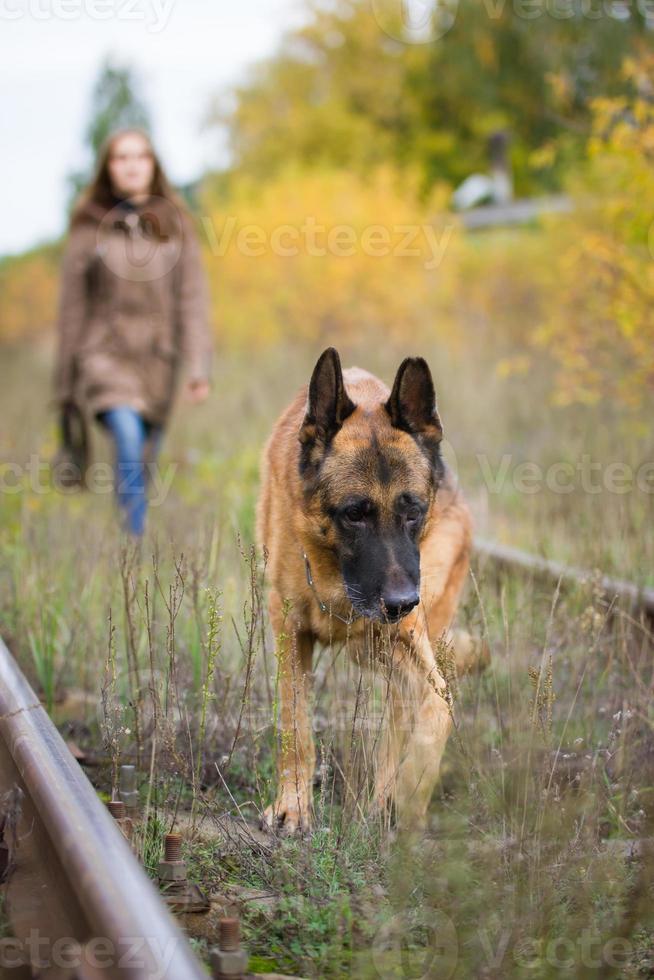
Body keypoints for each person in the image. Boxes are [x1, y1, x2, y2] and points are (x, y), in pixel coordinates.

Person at [53, 127, 212, 536]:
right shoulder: (88, 229)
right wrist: (65, 384)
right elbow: (71, 309)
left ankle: (129, 536)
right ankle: (135, 541)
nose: (131, 165)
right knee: (124, 436)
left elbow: (192, 301)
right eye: (121, 158)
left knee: (142, 460)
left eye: (140, 156)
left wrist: (198, 366)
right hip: (103, 356)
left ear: (153, 165)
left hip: (159, 363)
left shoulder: (175, 227)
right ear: (108, 168)